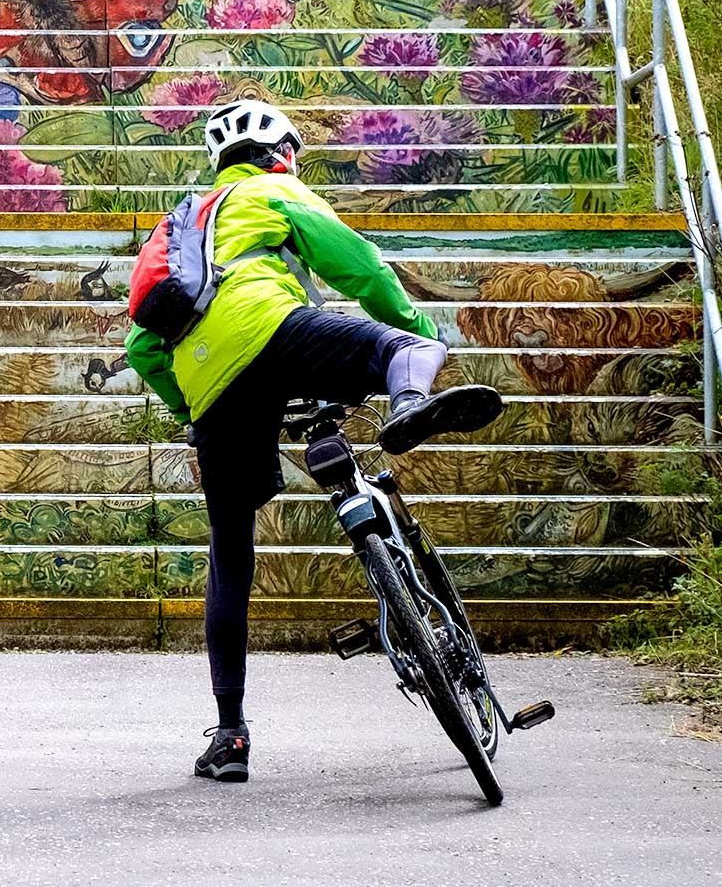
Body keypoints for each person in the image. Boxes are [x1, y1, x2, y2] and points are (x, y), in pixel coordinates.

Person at [125, 101, 503, 784]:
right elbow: (357, 265)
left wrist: (192, 405)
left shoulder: (178, 228)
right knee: (408, 347)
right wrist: (421, 326)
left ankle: (230, 734)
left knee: (230, 550)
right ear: (286, 153)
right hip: (275, 330)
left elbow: (142, 346)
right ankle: (410, 399)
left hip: (209, 384)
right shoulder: (272, 189)